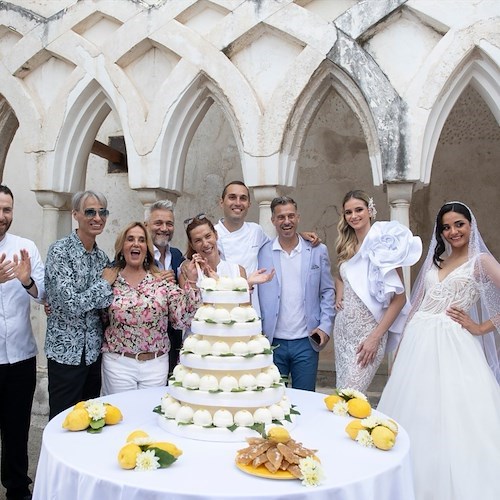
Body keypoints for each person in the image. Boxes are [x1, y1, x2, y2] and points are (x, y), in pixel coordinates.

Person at [377, 201, 500, 500]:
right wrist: (400, 351)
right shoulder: (437, 262)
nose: (453, 231)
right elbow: (415, 307)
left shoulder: (480, 261)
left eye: (459, 224)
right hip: (417, 344)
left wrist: (481, 327)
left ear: (471, 225)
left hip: (454, 345)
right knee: (417, 412)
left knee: (457, 415)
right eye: (446, 227)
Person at [333, 190, 421, 393]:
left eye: (359, 210)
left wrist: (375, 337)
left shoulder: (384, 245)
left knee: (351, 395)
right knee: (342, 395)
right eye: (348, 212)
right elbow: (341, 276)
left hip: (369, 334)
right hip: (343, 331)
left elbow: (399, 300)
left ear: (370, 210)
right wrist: (340, 291)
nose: (354, 216)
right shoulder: (346, 246)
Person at [101, 222, 200, 395]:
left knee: (149, 417)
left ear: (146, 249)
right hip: (118, 364)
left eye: (141, 240)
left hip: (156, 365)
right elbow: (99, 316)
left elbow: (182, 319)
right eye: (130, 239)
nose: (136, 244)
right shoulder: (110, 280)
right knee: (120, 417)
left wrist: (191, 281)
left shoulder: (161, 281)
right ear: (121, 247)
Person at [44, 190, 117, 419]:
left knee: (91, 419)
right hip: (66, 353)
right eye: (90, 212)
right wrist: (103, 284)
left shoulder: (102, 258)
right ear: (76, 214)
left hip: (93, 354)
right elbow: (71, 304)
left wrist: (95, 294)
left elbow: (106, 303)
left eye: (102, 212)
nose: (98, 218)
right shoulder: (59, 251)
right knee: (62, 421)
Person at [257, 196, 335, 391]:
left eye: (291, 216)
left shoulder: (317, 250)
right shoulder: (262, 252)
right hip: (273, 341)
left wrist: (325, 327)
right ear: (273, 220)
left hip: (307, 341)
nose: (286, 221)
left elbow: (327, 291)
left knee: (306, 398)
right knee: (273, 399)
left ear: (298, 217)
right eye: (281, 217)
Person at [0, 185, 44, 500]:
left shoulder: (24, 247)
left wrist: (27, 280)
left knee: (17, 430)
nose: (3, 216)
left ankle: (17, 489)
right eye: (0, 209)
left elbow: (44, 295)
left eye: (7, 210)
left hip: (20, 358)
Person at [178, 214, 274, 289]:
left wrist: (248, 284)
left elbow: (244, 308)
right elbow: (188, 309)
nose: (205, 244)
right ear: (192, 245)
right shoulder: (188, 271)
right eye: (198, 240)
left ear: (216, 235)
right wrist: (192, 280)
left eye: (208, 236)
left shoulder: (237, 271)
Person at [144, 200, 185, 374]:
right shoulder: (136, 253)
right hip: (145, 345)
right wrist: (153, 282)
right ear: (146, 225)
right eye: (158, 223)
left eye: (169, 223)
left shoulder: (176, 255)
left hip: (172, 341)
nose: (164, 228)